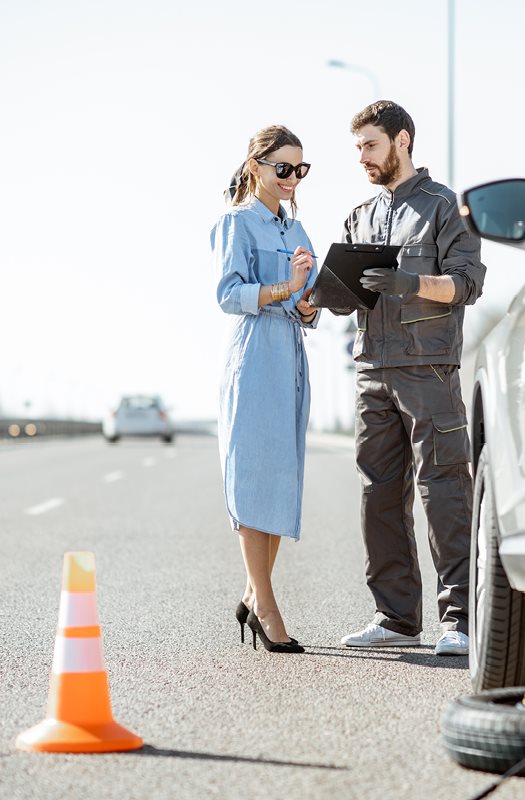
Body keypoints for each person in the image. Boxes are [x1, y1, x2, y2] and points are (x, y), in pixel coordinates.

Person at [336, 101, 486, 656]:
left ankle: (465, 619)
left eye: (370, 146)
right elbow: (351, 292)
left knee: (444, 488)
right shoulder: (359, 215)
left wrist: (411, 283)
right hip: (372, 368)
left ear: (402, 141)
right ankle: (396, 618)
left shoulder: (446, 207)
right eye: (357, 149)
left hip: (428, 369)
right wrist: (334, 294)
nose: (363, 158)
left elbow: (467, 284)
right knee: (378, 495)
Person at [211, 125, 319, 654]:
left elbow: (309, 302)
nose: (292, 179)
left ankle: (253, 595)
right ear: (256, 166)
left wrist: (307, 303)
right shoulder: (236, 222)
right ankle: (267, 606)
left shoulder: (297, 231)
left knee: (279, 479)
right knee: (254, 477)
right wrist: (286, 289)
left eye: (300, 169)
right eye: (283, 168)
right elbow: (229, 294)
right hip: (254, 356)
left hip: (291, 355)